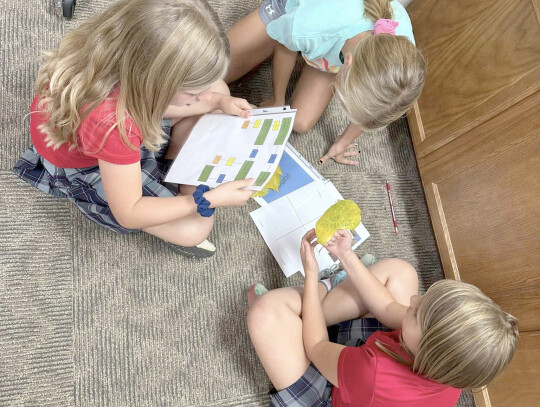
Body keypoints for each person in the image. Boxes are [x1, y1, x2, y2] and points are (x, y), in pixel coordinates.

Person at [13, 0, 256, 258]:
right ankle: (177, 174)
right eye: (194, 92)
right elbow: (128, 212)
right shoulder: (112, 124)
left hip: (114, 125)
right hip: (88, 166)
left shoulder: (118, 50)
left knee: (220, 90)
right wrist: (206, 200)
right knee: (194, 230)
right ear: (155, 82)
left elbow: (165, 101)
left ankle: (175, 168)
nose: (202, 95)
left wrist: (216, 100)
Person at [247, 229, 518, 406]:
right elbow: (388, 307)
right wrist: (345, 255)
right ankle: (312, 302)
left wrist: (310, 276)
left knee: (266, 312)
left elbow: (316, 346)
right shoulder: (452, 365)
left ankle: (317, 293)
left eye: (415, 314)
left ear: (426, 348)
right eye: (422, 300)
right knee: (401, 273)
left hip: (336, 393)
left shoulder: (374, 372)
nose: (413, 300)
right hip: (370, 372)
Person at [226, 0, 426, 166]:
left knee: (300, 122)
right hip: (298, 14)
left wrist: (343, 142)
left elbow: (375, 109)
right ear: (347, 65)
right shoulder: (313, 26)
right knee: (219, 68)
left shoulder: (402, 58)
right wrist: (277, 98)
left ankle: (316, 52)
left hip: (334, 44)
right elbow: (285, 46)